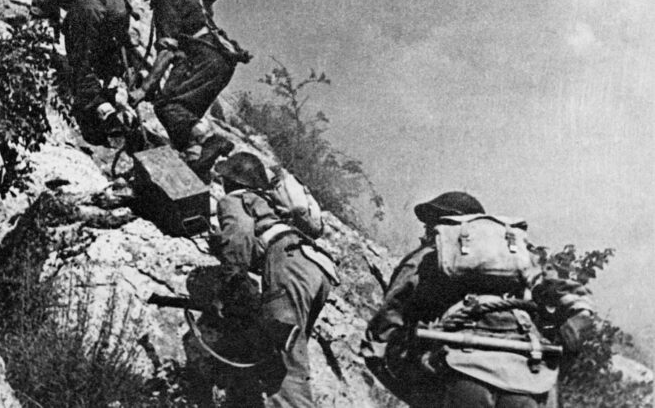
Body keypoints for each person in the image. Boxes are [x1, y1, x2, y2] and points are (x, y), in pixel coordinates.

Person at [360, 191, 595, 408]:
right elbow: (576, 305)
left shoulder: (426, 259)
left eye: (429, 227)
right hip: (529, 378)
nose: (425, 235)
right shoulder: (522, 257)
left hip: (459, 373)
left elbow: (383, 332)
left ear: (450, 225)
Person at [211, 152, 337, 407]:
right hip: (317, 267)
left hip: (289, 264)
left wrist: (231, 283)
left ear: (230, 181)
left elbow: (239, 236)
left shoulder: (234, 199)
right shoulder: (266, 203)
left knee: (284, 366)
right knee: (288, 349)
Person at [117, 0, 250, 175]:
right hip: (217, 59)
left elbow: (167, 52)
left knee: (168, 107)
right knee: (181, 112)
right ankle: (196, 161)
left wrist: (143, 89)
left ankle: (209, 140)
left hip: (206, 59)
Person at [31, 0, 141, 146]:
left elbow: (39, 14)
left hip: (87, 8)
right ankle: (115, 96)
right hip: (119, 9)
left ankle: (102, 110)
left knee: (80, 59)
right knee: (107, 56)